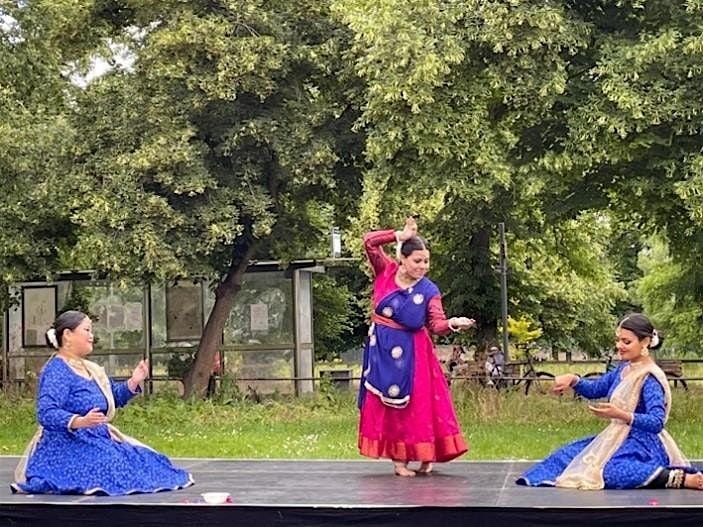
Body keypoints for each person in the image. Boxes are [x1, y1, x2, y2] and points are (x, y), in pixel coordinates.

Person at [11, 310, 194, 495]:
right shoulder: (57, 370)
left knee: (149, 460)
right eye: (87, 330)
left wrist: (134, 381)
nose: (92, 336)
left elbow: (111, 397)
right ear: (68, 335)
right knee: (110, 464)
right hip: (66, 443)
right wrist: (79, 421)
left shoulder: (90, 369)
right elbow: (46, 412)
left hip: (98, 438)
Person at [516, 313, 703, 490]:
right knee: (565, 456)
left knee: (610, 471)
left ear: (645, 342)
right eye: (618, 340)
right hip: (617, 439)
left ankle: (681, 479)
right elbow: (596, 389)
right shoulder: (624, 368)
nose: (619, 345)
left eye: (626, 341)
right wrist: (573, 379)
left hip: (644, 445)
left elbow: (656, 422)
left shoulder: (649, 377)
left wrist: (620, 415)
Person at [357, 217, 474, 477]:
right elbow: (369, 242)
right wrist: (400, 234)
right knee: (387, 406)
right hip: (382, 350)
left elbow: (437, 324)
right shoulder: (385, 272)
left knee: (417, 407)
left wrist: (453, 323)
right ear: (403, 259)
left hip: (415, 354)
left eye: (426, 261)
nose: (422, 266)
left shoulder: (429, 290)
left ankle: (424, 456)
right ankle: (398, 461)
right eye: (417, 261)